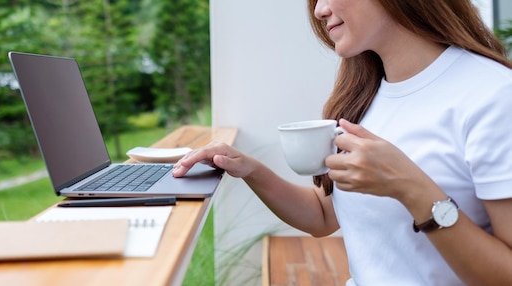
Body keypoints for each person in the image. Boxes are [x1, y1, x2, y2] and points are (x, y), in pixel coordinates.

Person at [172, 0, 512, 285]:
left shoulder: (493, 96)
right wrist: (248, 169)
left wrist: (414, 190)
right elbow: (324, 215)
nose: (319, 9)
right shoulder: (366, 96)